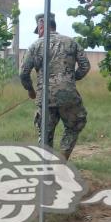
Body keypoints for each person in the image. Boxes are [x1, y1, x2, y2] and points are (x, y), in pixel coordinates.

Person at [20, 12, 91, 160]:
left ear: (41, 27)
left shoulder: (35, 45)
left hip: (44, 97)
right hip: (68, 95)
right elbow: (85, 66)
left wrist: (31, 91)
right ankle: (63, 157)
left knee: (45, 134)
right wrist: (70, 80)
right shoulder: (71, 42)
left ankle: (46, 169)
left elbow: (23, 73)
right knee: (76, 123)